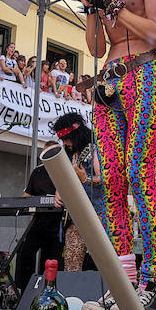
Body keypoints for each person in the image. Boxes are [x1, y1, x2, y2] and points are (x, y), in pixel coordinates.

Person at [69, 0, 156, 310]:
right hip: (108, 78)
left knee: (137, 171)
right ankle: (124, 279)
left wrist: (111, 1)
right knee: (109, 178)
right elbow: (95, 45)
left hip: (147, 71)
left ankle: (152, 280)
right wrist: (90, 3)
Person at [54, 111, 104, 272]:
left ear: (76, 134)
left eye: (67, 139)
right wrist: (58, 191)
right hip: (74, 216)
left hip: (97, 214)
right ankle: (72, 296)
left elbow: (105, 179)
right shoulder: (68, 154)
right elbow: (64, 179)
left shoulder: (95, 148)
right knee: (71, 261)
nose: (65, 143)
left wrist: (85, 178)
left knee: (104, 262)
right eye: (62, 140)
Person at [15, 151, 63, 284]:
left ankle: (46, 290)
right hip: (38, 222)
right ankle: (25, 288)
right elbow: (26, 197)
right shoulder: (38, 172)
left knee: (50, 261)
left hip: (57, 224)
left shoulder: (62, 172)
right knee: (25, 253)